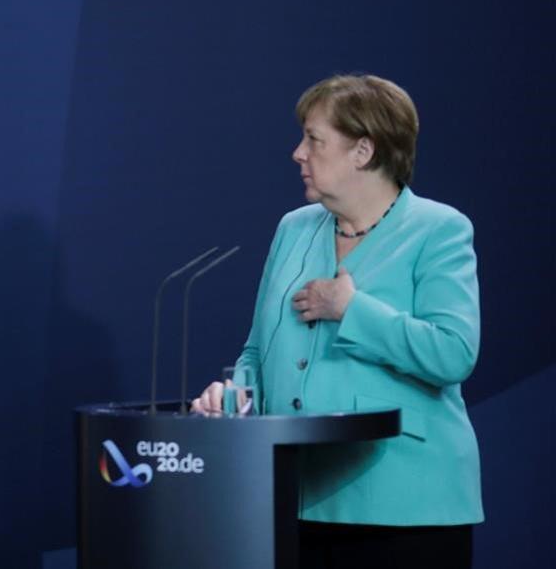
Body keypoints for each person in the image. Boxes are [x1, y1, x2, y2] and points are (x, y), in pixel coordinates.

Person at [191, 74, 482, 568]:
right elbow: (258, 350)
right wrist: (232, 396)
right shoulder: (294, 228)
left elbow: (454, 353)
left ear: (363, 151)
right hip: (294, 497)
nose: (298, 153)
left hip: (404, 502)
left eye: (314, 139)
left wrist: (351, 310)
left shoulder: (439, 230)